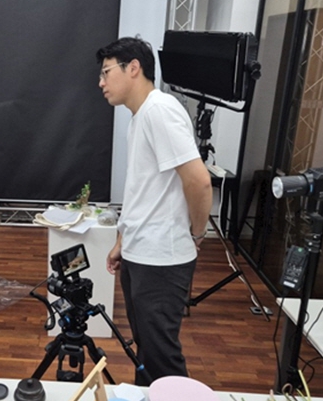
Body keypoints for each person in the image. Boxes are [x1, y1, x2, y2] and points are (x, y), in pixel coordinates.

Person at [97, 37, 212, 384]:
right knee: (146, 351)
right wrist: (123, 240)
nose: (101, 82)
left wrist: (197, 233)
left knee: (161, 355)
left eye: (106, 72)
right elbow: (143, 189)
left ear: (133, 68)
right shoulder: (141, 116)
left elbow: (199, 181)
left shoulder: (160, 110)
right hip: (141, 251)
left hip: (162, 258)